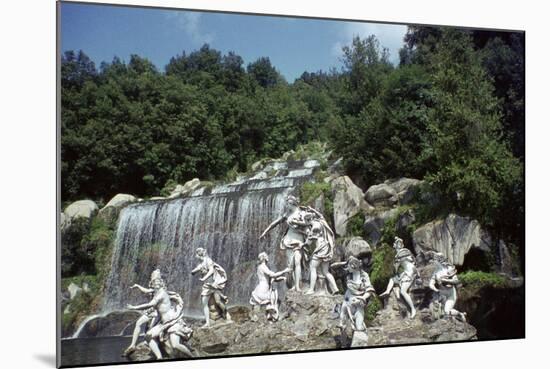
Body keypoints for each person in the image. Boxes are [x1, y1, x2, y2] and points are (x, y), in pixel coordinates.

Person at [126, 273, 194, 359]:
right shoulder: (156, 291)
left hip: (172, 321)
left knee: (175, 345)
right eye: (154, 282)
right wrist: (138, 286)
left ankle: (192, 357)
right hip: (163, 323)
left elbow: (150, 304)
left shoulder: (162, 293)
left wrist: (134, 307)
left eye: (158, 282)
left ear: (161, 283)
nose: (156, 283)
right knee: (148, 336)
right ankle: (159, 357)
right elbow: (147, 291)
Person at [259, 195, 310, 292]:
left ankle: (298, 286)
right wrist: (265, 232)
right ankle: (295, 285)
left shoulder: (302, 213)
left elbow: (308, 226)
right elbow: (275, 223)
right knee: (291, 264)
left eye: (287, 204)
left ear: (292, 203)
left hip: (299, 240)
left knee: (297, 261)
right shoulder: (287, 214)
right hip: (288, 240)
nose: (286, 206)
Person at [379, 237, 418, 318]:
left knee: (403, 291)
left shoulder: (403, 251)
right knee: (392, 278)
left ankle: (413, 309)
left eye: (400, 243)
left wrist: (397, 265)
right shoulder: (400, 253)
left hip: (410, 271)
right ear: (395, 245)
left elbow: (397, 267)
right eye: (397, 244)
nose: (399, 245)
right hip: (407, 271)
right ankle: (387, 291)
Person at [191, 247, 230, 328]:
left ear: (200, 254)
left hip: (213, 284)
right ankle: (208, 322)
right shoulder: (201, 263)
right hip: (206, 285)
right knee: (204, 303)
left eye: (197, 253)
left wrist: (204, 278)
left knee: (218, 301)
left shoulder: (208, 260)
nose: (196, 255)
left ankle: (226, 314)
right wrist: (194, 271)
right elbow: (198, 268)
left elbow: (211, 270)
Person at [336, 256, 376, 332]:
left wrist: (363, 298)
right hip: (347, 302)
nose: (346, 267)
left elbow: (369, 289)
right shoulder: (348, 275)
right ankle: (343, 341)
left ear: (353, 265)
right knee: (342, 324)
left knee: (359, 328)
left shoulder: (364, 276)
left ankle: (362, 330)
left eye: (348, 265)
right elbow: (333, 267)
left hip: (358, 303)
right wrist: (346, 262)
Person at [250, 252, 290, 322]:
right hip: (262, 290)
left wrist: (282, 278)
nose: (268, 257)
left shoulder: (259, 267)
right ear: (264, 258)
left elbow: (273, 279)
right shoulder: (263, 267)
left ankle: (268, 315)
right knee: (274, 297)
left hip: (260, 289)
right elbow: (273, 275)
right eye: (266, 256)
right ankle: (272, 316)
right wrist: (284, 271)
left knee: (273, 298)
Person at [304, 220, 339, 295]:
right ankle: (335, 288)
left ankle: (311, 289)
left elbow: (308, 243)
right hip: (326, 248)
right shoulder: (322, 223)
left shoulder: (314, 227)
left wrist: (307, 237)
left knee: (313, 268)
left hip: (320, 250)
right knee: (326, 271)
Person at [429, 253, 466, 321]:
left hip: (451, 294)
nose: (433, 261)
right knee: (443, 311)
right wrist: (435, 289)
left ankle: (458, 315)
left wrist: (445, 280)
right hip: (442, 294)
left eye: (435, 260)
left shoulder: (449, 269)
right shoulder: (435, 272)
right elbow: (431, 284)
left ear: (439, 260)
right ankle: (460, 314)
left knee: (446, 311)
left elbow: (456, 281)